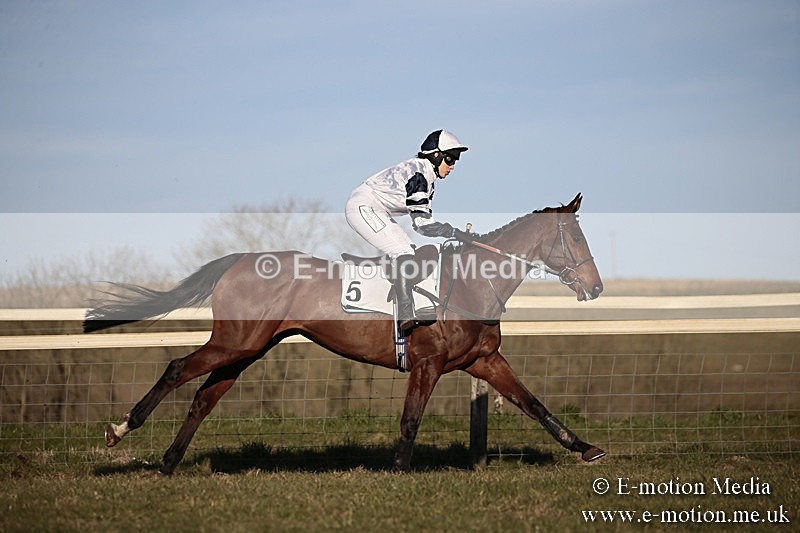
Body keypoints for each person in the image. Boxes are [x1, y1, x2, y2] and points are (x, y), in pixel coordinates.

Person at [345, 129, 471, 335]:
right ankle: (405, 313)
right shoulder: (419, 176)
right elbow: (423, 224)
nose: (453, 166)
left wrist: (453, 233)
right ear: (436, 156)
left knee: (410, 251)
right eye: (451, 159)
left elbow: (421, 224)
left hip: (377, 209)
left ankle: (419, 306)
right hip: (363, 206)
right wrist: (455, 233)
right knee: (403, 252)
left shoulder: (426, 175)